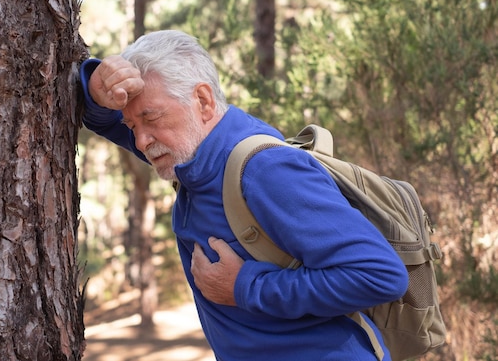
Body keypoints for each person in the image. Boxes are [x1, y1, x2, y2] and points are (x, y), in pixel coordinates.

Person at [78, 30, 408, 361]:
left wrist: (245, 287)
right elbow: (105, 120)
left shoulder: (265, 170)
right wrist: (97, 88)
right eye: (133, 126)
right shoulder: (192, 161)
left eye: (150, 117)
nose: (140, 141)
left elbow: (380, 275)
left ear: (203, 101)